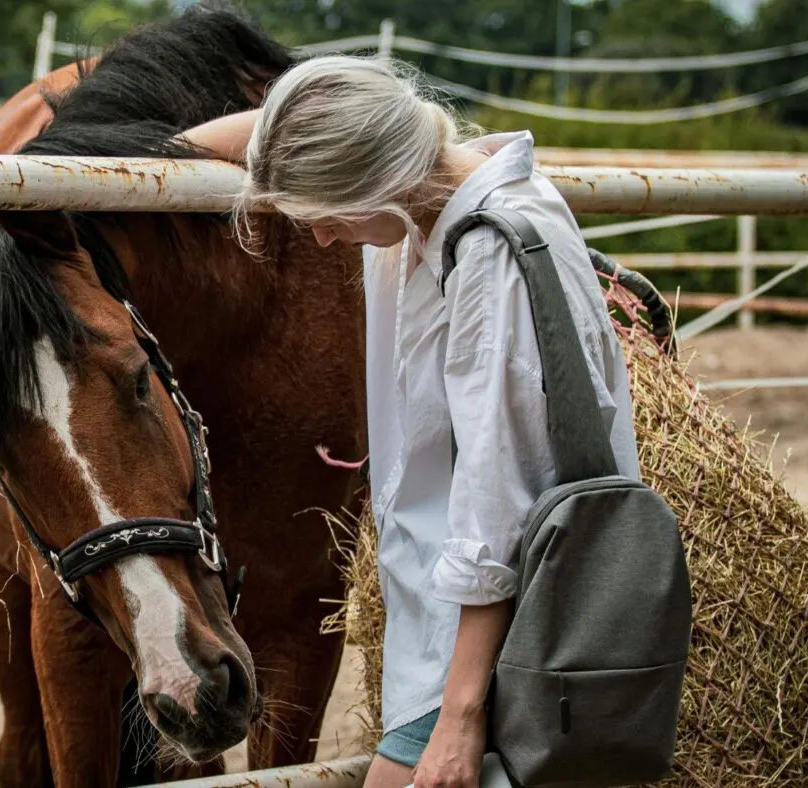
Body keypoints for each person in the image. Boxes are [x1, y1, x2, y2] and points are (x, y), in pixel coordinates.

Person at [179, 55, 642, 788]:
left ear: (375, 180)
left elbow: (501, 508)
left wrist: (457, 718)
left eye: (328, 216)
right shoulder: (445, 199)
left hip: (491, 648)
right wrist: (150, 154)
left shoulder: (490, 260)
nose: (324, 241)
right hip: (456, 632)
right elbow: (257, 133)